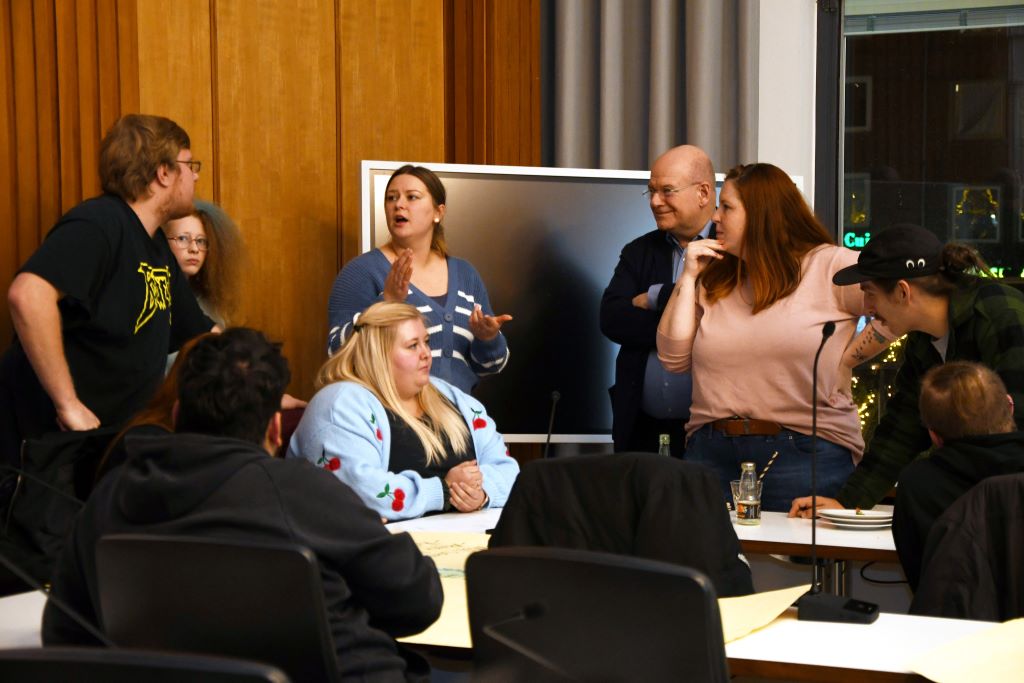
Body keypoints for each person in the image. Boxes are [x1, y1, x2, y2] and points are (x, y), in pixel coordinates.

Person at [43, 328, 442, 682]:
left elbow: (64, 632)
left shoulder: (109, 498)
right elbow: (418, 600)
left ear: (178, 413)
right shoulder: (302, 492)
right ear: (273, 428)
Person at [0, 114, 216, 498]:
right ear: (163, 173)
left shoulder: (156, 248)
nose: (195, 177)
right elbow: (27, 294)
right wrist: (68, 404)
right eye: (189, 165)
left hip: (103, 452)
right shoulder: (99, 222)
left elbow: (201, 335)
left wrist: (266, 388)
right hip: (49, 457)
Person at [657, 163, 892, 512]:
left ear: (762, 214)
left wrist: (849, 358)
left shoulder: (829, 266)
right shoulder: (715, 277)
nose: (715, 217)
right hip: (711, 452)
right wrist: (688, 277)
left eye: (727, 207)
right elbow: (673, 358)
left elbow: (898, 305)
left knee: (807, 562)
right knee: (707, 564)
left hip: (806, 454)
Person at [790, 224, 1024, 517]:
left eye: (870, 293)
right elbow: (902, 428)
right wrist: (846, 504)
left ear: (902, 291)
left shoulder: (999, 314)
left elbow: (1015, 430)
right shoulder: (922, 340)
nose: (867, 307)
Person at [290, 301, 520, 521]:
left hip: (462, 545)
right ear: (378, 354)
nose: (426, 353)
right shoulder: (340, 403)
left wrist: (481, 494)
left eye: (426, 342)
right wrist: (443, 490)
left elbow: (509, 472)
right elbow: (361, 492)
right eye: (413, 345)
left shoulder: (454, 398)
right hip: (379, 553)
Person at [326, 164, 511, 394]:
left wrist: (488, 339)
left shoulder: (466, 275)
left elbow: (492, 365)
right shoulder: (361, 272)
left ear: (438, 212)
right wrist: (386, 304)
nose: (399, 204)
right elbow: (337, 352)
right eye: (391, 198)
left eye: (412, 197)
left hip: (459, 424)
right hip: (394, 422)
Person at [599, 145, 716, 457]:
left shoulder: (731, 249)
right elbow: (612, 318)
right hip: (640, 429)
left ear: (703, 193)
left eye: (667, 191)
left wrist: (657, 297)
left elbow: (723, 321)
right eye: (651, 191)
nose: (654, 202)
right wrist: (683, 323)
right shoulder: (639, 251)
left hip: (710, 435)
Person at [892, 361, 1024, 590]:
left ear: (933, 435)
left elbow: (922, 576)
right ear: (1010, 408)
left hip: (955, 622)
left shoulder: (917, 483)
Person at [163, 200, 245, 371]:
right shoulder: (156, 298)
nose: (194, 248)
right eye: (183, 238)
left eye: (201, 241)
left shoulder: (210, 302)